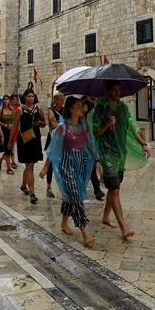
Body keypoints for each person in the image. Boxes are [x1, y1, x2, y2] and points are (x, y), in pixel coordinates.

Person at [86, 80, 150, 239]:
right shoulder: (99, 110)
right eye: (114, 90)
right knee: (115, 190)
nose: (118, 93)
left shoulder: (123, 108)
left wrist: (143, 143)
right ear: (107, 92)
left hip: (121, 151)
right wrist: (107, 124)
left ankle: (106, 217)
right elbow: (95, 134)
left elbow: (132, 125)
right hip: (107, 153)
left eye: (118, 90)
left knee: (114, 187)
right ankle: (124, 228)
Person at [39, 96, 99, 247]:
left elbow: (90, 144)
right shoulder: (62, 127)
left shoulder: (84, 126)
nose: (81, 108)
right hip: (67, 164)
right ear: (71, 108)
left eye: (81, 106)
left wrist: (97, 161)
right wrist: (46, 167)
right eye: (78, 106)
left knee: (71, 195)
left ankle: (64, 223)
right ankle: (85, 234)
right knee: (76, 195)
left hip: (80, 164)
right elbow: (53, 148)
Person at [15, 88, 45, 204]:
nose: (31, 98)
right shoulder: (20, 110)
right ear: (25, 97)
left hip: (35, 139)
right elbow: (15, 126)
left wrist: (40, 123)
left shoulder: (39, 109)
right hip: (24, 139)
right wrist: (9, 142)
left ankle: (23, 185)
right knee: (29, 166)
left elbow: (44, 124)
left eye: (32, 96)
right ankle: (32, 194)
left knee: (29, 166)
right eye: (28, 96)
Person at [81, 96, 106, 201]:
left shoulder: (98, 106)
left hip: (91, 143)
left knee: (90, 168)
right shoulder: (73, 122)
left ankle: (96, 189)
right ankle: (94, 190)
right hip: (79, 149)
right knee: (85, 169)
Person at [44, 93, 65, 198]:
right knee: (51, 164)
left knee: (63, 163)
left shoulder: (65, 110)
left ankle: (63, 186)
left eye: (63, 99)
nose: (62, 101)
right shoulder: (50, 110)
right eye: (61, 99)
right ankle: (48, 187)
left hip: (63, 140)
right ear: (55, 100)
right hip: (53, 139)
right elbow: (54, 124)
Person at [0, 95, 15, 174]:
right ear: (3, 101)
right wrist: (5, 125)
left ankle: (0, 160)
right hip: (2, 131)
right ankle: (8, 168)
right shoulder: (0, 110)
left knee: (9, 149)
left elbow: (14, 120)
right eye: (5, 99)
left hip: (10, 131)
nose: (6, 101)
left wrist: (12, 126)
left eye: (7, 99)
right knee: (5, 149)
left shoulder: (12, 110)